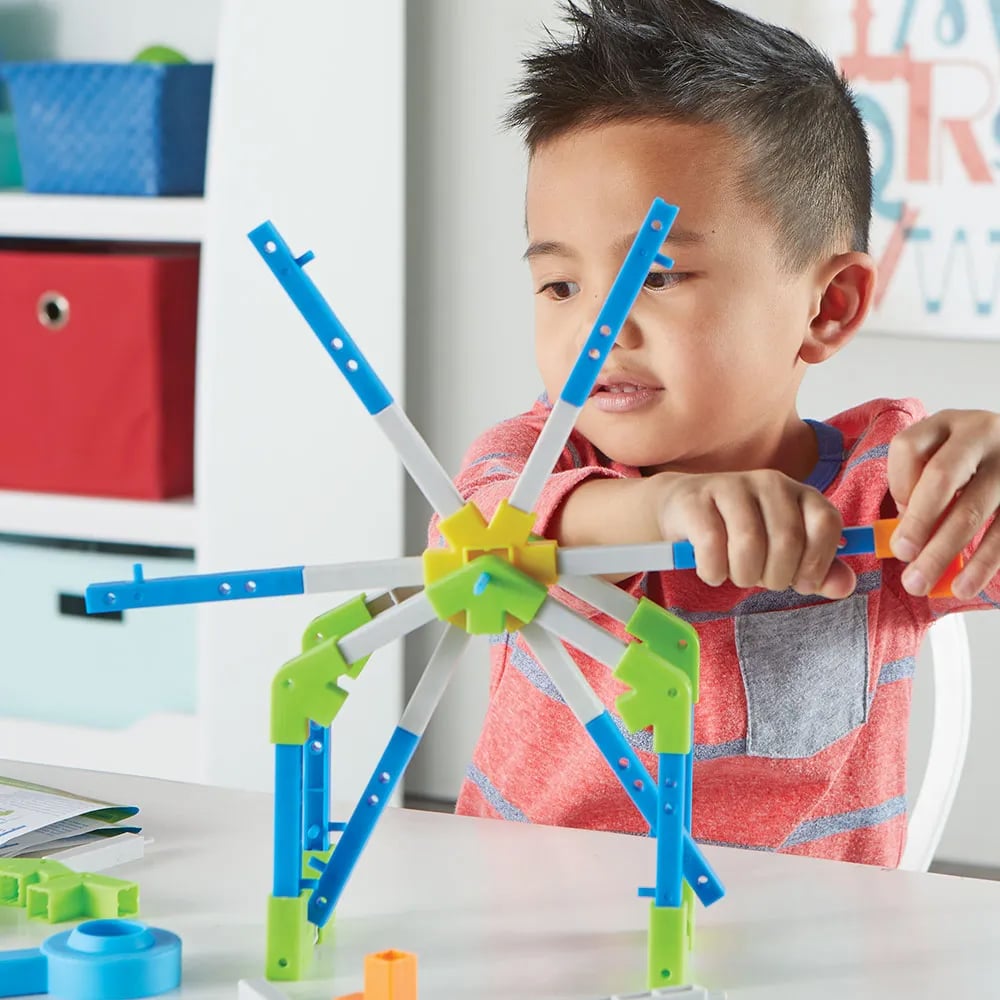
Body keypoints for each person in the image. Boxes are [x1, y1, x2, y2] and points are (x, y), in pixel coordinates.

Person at [433, 0, 1000, 866]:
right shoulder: (532, 462)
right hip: (526, 920)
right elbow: (465, 544)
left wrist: (984, 488)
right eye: (559, 287)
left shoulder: (886, 490)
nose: (598, 332)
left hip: (811, 936)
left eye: (657, 275)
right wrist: (664, 510)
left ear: (828, 305)